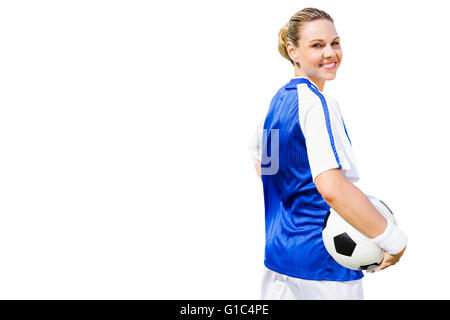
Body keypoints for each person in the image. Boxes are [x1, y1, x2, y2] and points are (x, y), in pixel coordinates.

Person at [248, 7, 407, 300]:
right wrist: (393, 241)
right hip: (324, 269)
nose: (330, 53)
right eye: (317, 45)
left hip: (279, 260)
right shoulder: (318, 104)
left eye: (335, 42)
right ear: (292, 51)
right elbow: (332, 188)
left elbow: (266, 168)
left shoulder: (277, 104)